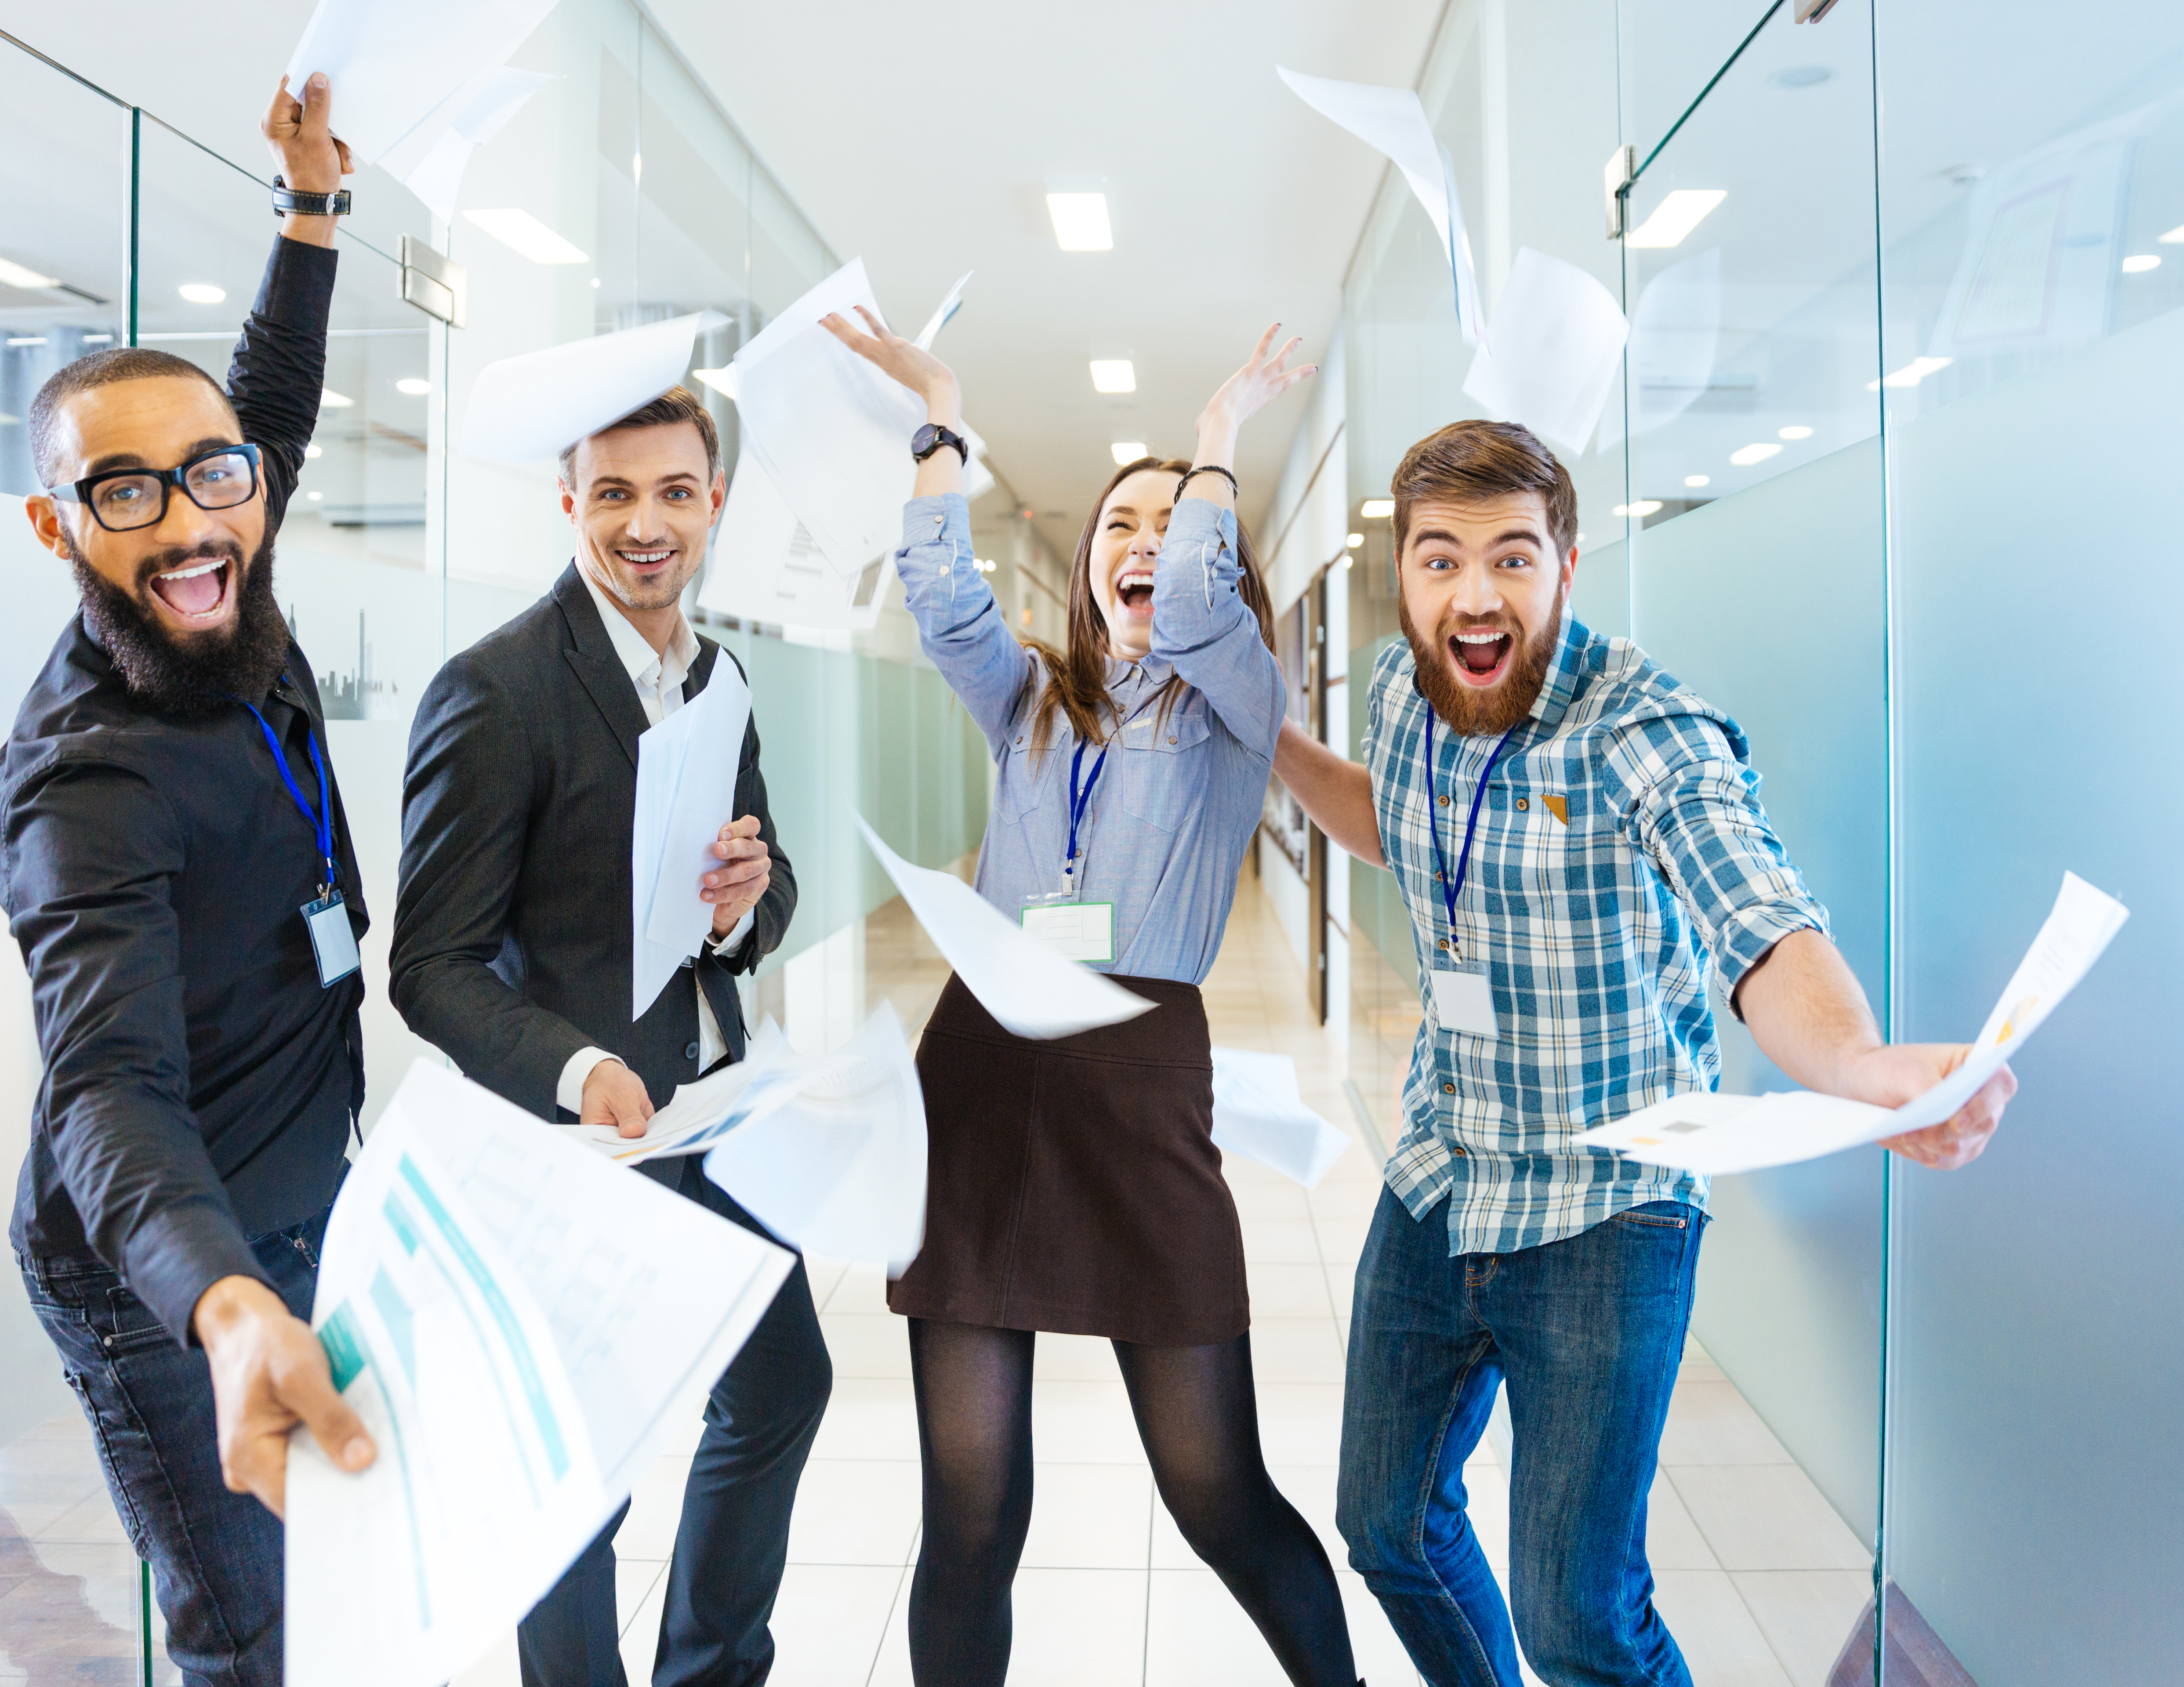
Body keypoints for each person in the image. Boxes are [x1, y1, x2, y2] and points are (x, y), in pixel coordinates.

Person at [1271, 419, 2018, 1687]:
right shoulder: (1404, 692)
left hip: (1608, 1207)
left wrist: (1854, 1064)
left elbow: (1756, 914)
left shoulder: (1645, 727)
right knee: (1386, 1528)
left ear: (1566, 564)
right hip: (1445, 1167)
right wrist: (1269, 750)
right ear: (1402, 574)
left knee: (1582, 1619)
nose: (1476, 592)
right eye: (1441, 559)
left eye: (1513, 556)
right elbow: (1390, 825)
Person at [822, 308, 1363, 1687]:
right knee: (972, 1512)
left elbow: (1190, 605)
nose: (1145, 546)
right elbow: (941, 596)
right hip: (984, 1071)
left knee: (1215, 1494)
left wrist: (1215, 446)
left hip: (1135, 1079)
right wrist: (941, 412)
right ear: (1082, 563)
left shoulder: (1239, 696)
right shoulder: (1032, 706)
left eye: (1171, 525)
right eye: (1119, 526)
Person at [0, 74, 377, 1687]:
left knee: (342, 1594)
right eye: (121, 492)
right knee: (252, 1632)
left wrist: (309, 209)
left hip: (292, 1199)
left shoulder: (226, 539)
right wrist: (221, 1309)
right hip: (159, 1276)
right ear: (55, 527)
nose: (188, 520)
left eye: (211, 475)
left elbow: (265, 397)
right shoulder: (82, 780)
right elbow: (108, 1088)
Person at [390, 381, 823, 1687]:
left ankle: (709, 1669)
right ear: (570, 502)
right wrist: (580, 1074)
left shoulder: (721, 672)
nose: (648, 524)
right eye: (616, 493)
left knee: (782, 1385)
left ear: (715, 504)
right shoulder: (498, 691)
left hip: (711, 1118)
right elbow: (430, 966)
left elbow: (767, 883)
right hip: (577, 1145)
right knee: (578, 1475)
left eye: (675, 492)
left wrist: (749, 907)